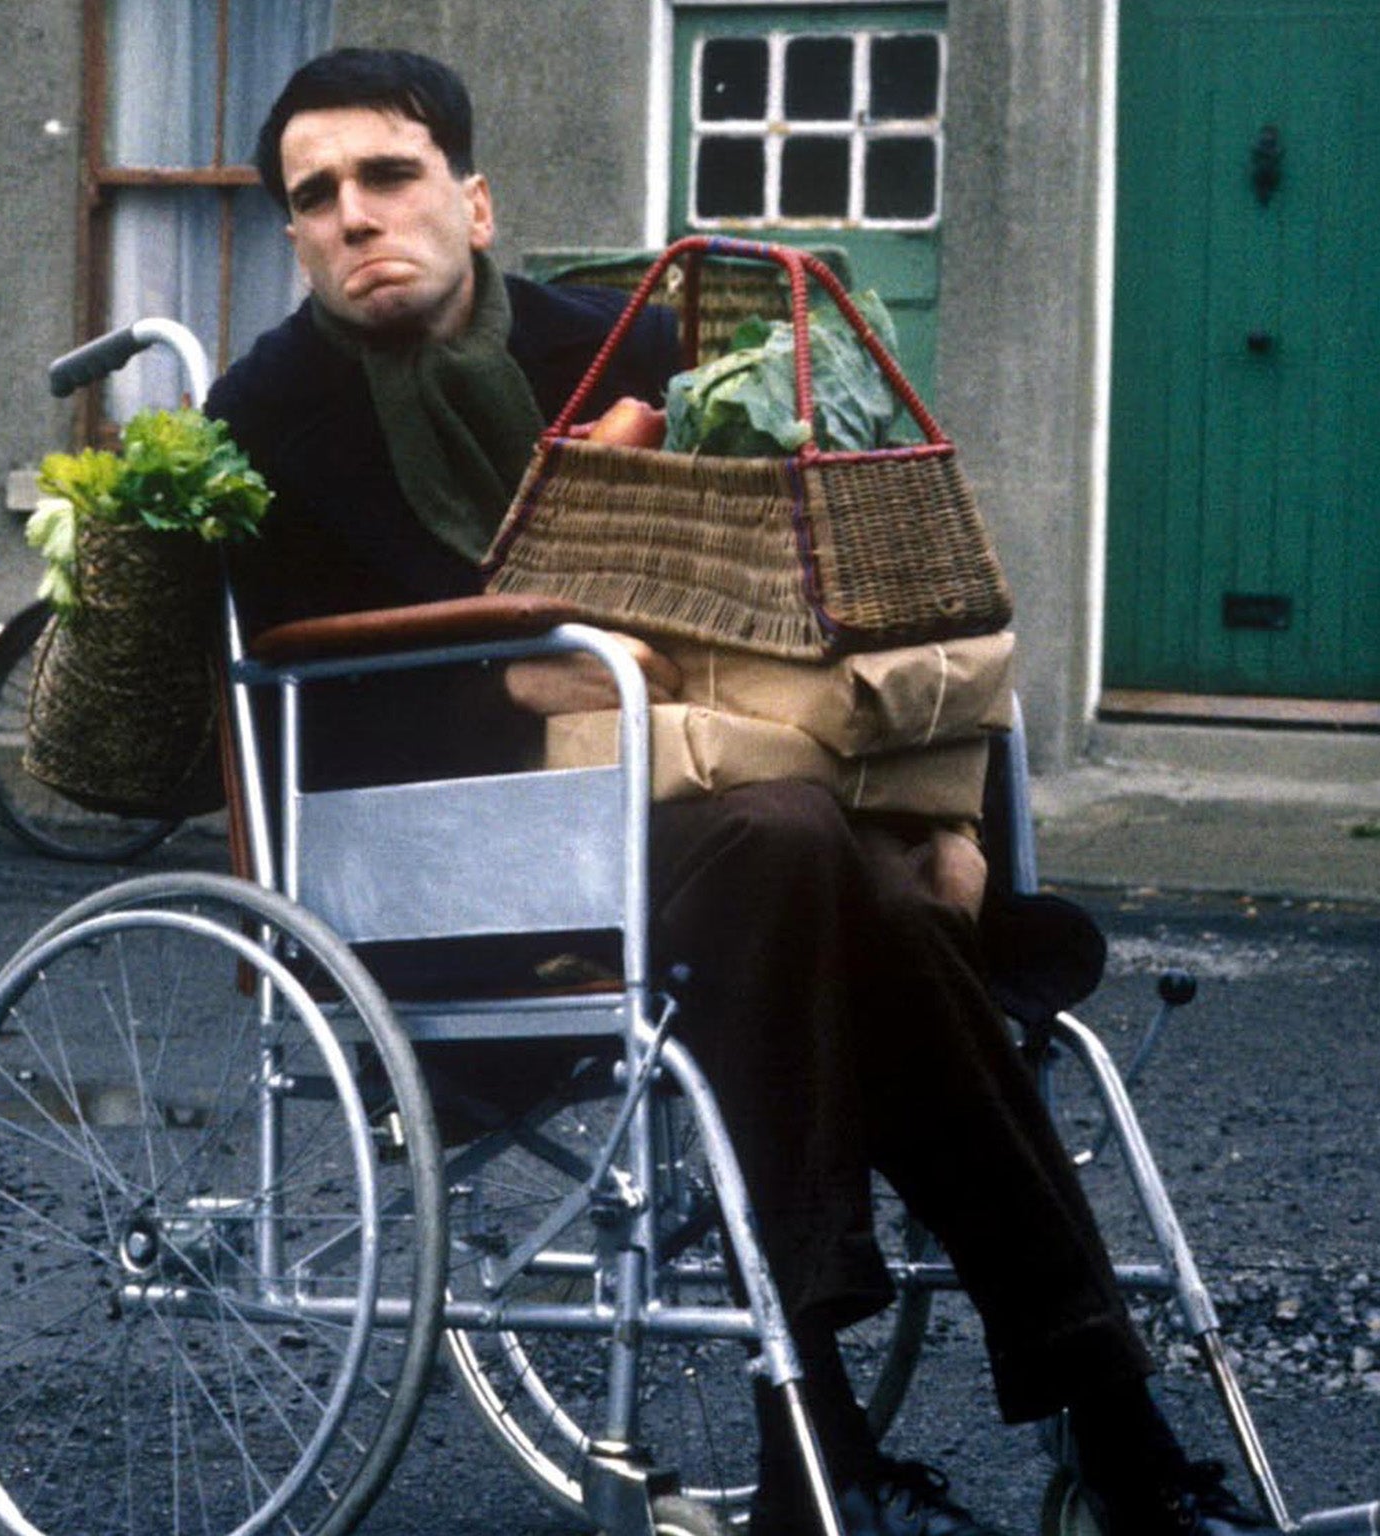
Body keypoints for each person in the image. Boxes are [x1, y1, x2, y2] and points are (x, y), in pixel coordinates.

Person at [207, 46, 1273, 1536]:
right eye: (315, 198)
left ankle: (857, 1454)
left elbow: (825, 585)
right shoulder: (264, 416)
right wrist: (540, 652)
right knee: (806, 856)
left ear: (475, 199)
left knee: (841, 870)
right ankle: (1080, 1429)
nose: (355, 217)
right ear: (295, 237)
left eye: (388, 174)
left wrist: (946, 824)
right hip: (452, 856)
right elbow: (256, 691)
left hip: (714, 815)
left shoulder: (625, 349)